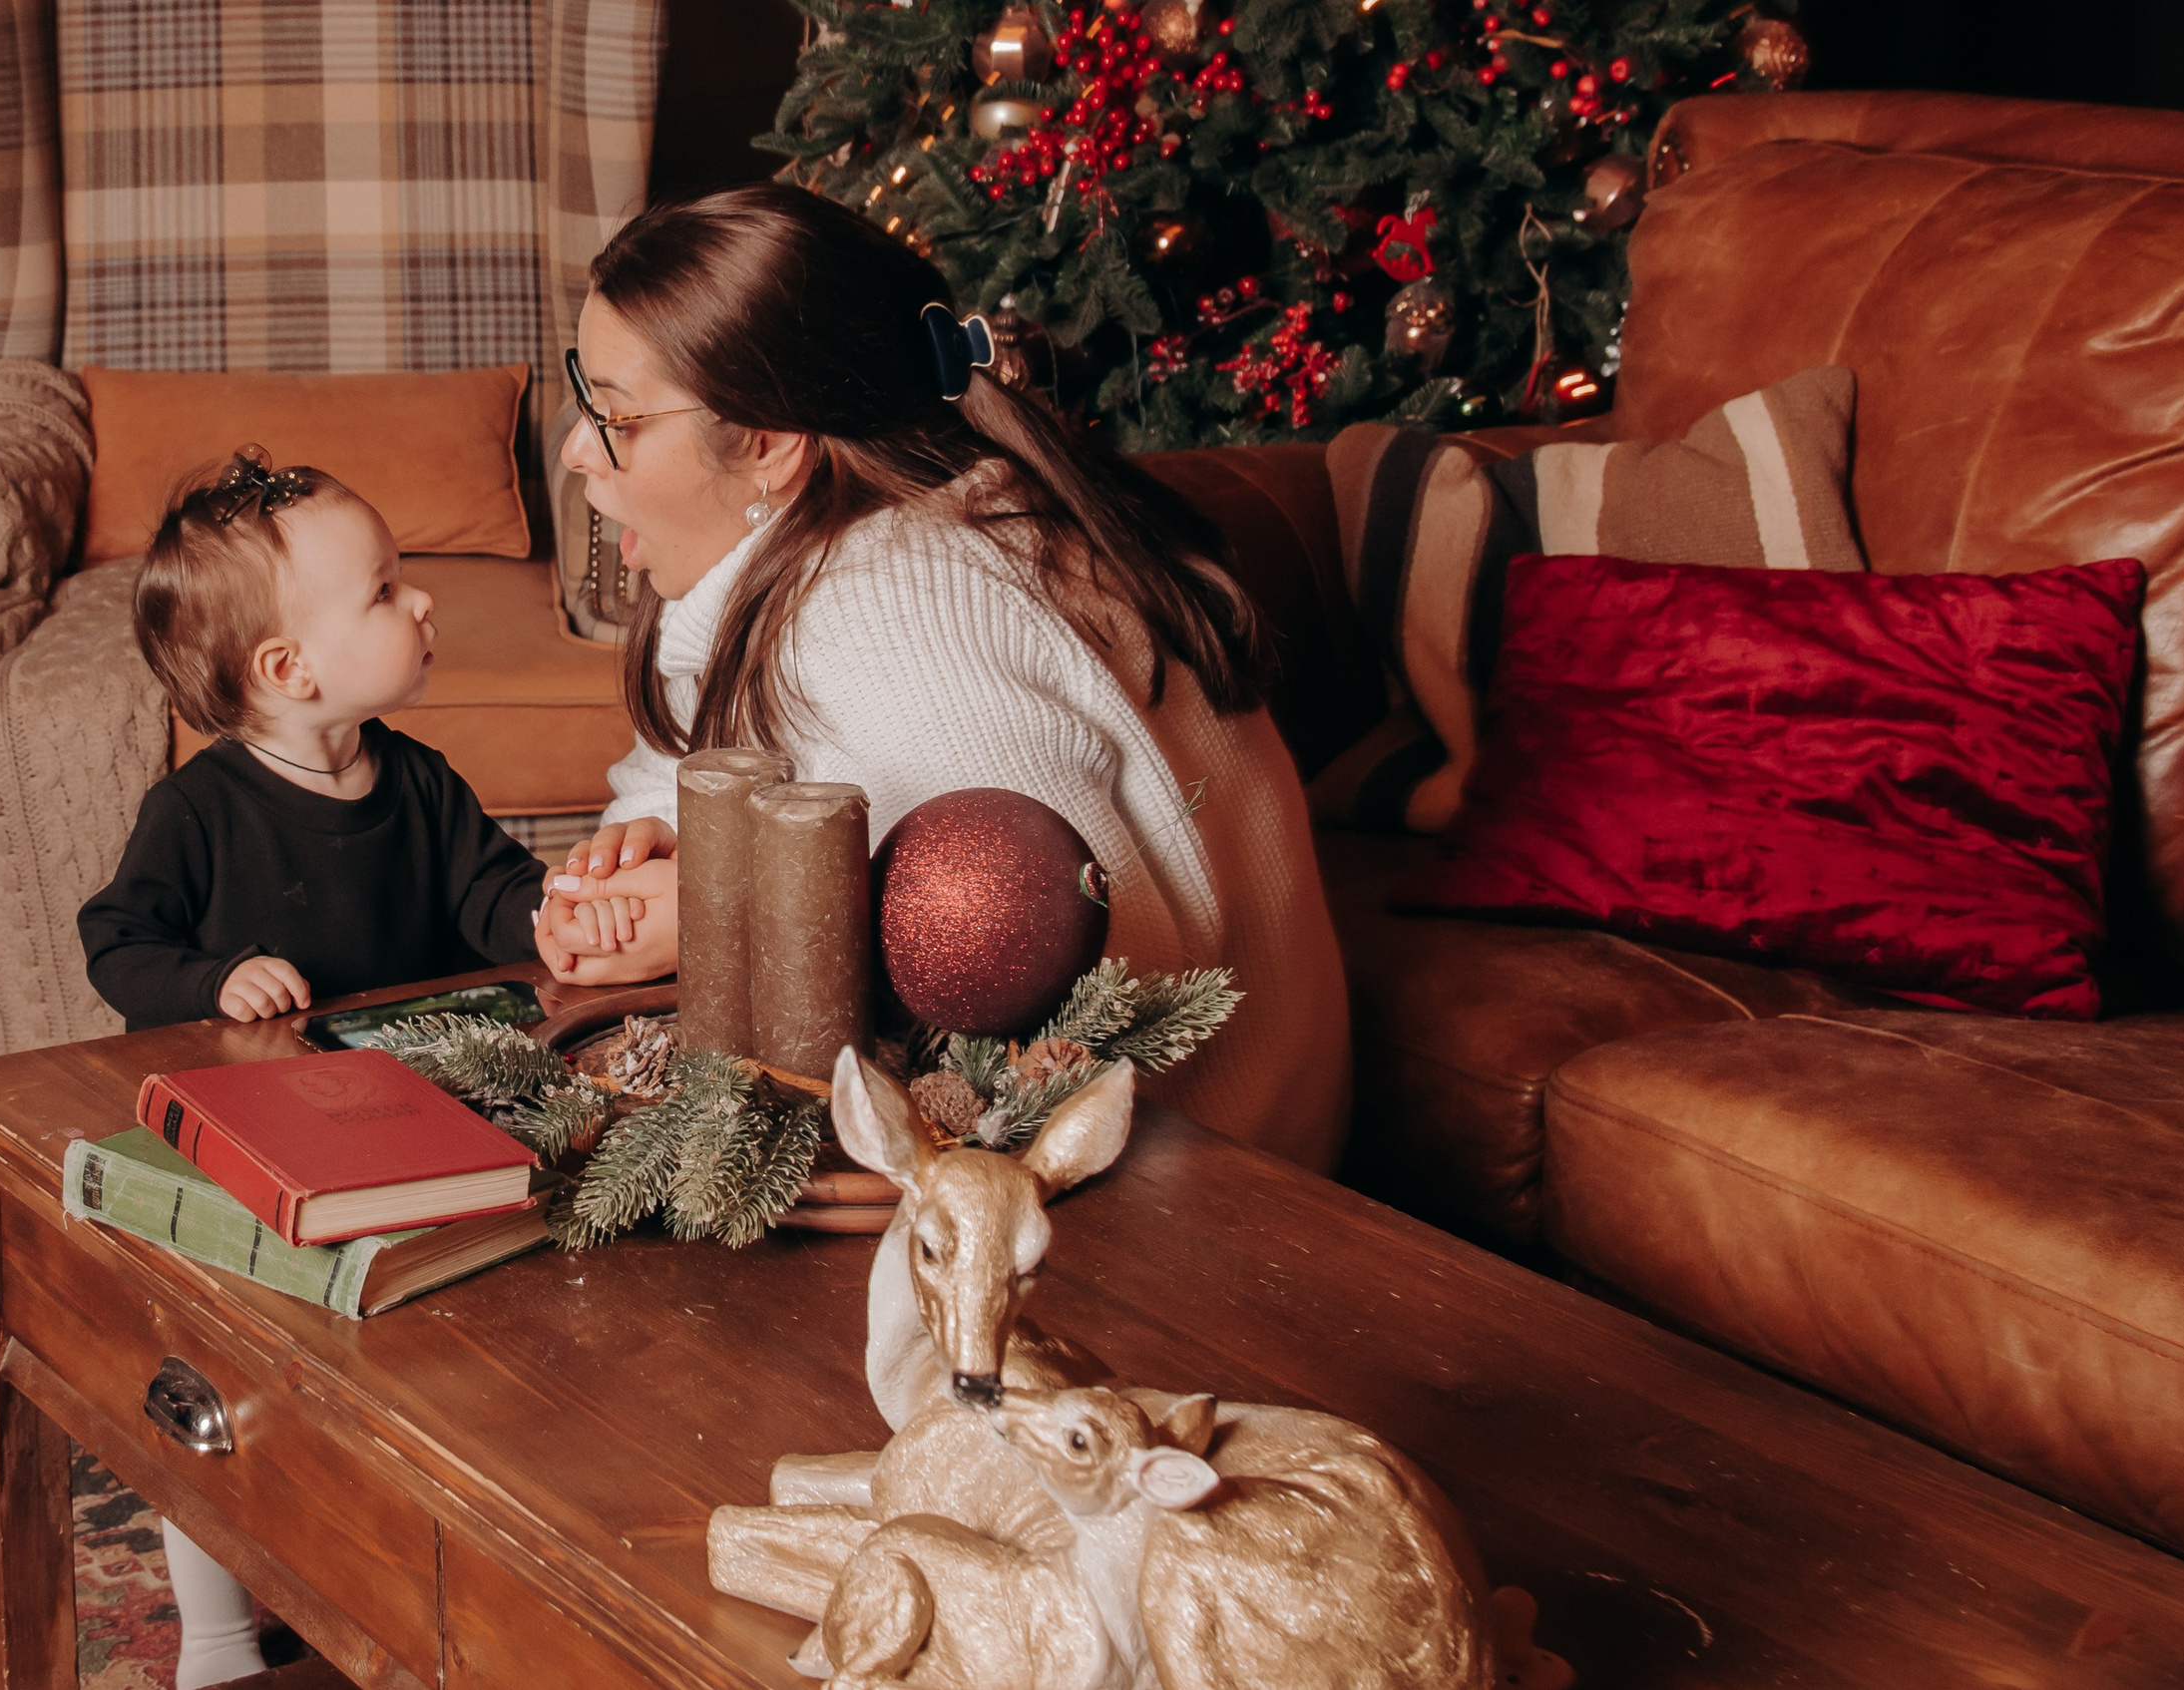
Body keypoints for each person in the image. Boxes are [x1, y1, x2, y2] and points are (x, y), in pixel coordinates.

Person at [539, 184, 1350, 1168]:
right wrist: (654, 842)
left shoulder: (894, 613)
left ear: (764, 445)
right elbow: (714, 751)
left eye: (613, 414)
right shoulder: (797, 555)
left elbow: (1083, 965)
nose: (578, 450)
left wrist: (720, 909)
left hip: (1173, 1188)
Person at [76, 448, 556, 1687]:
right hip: (252, 1137)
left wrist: (557, 916)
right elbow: (118, 938)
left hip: (397, 1127)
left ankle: (381, 1568)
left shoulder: (419, 781)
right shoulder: (198, 811)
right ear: (288, 670)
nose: (425, 603)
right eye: (390, 590)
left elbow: (492, 891)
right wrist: (211, 980)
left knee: (394, 1368)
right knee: (217, 1391)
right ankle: (222, 1635)